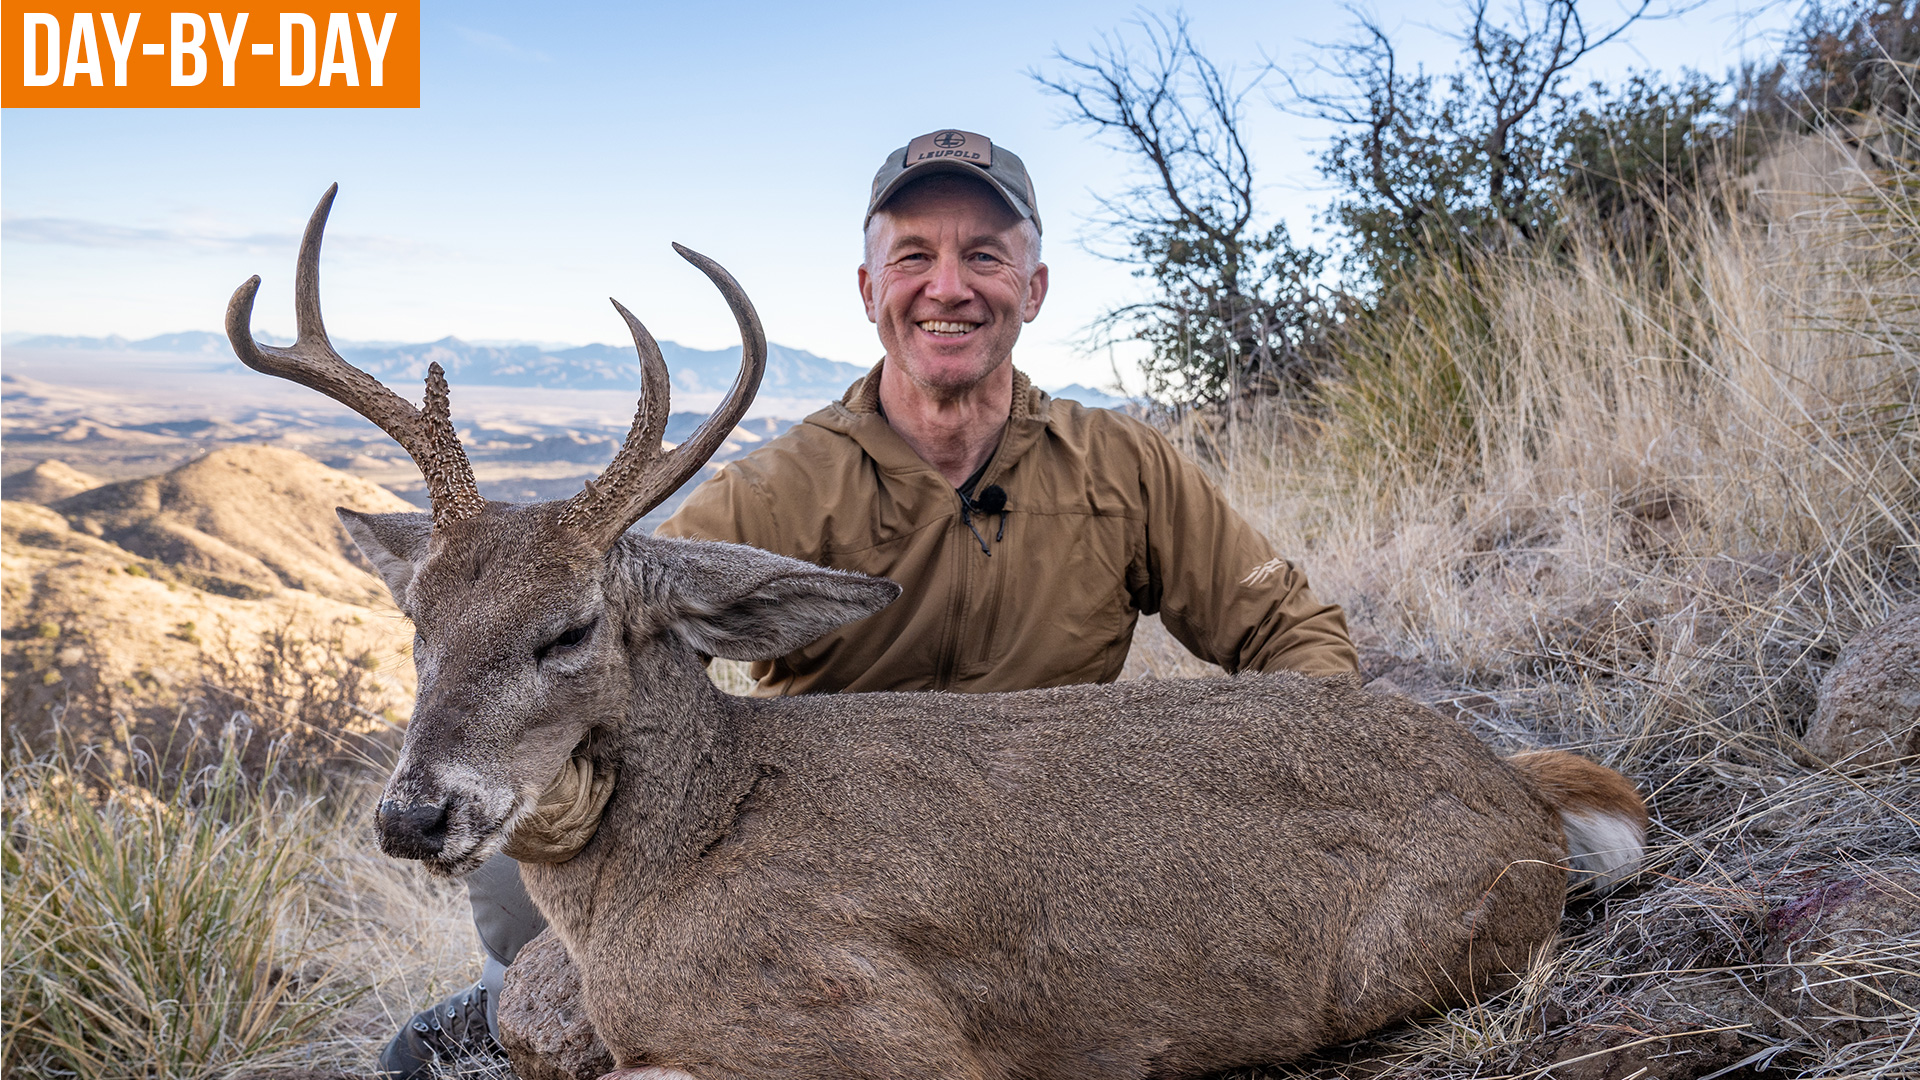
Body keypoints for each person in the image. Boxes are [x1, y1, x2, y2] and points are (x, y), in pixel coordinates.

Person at [379, 129, 1357, 1076]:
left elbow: (1291, 632)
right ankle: (517, 995)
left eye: (984, 253)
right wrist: (599, 921)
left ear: (1034, 287)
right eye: (914, 256)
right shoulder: (784, 487)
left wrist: (1315, 783)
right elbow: (602, 637)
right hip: (813, 852)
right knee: (523, 848)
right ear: (869, 290)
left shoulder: (1122, 467)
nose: (948, 285)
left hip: (1047, 836)